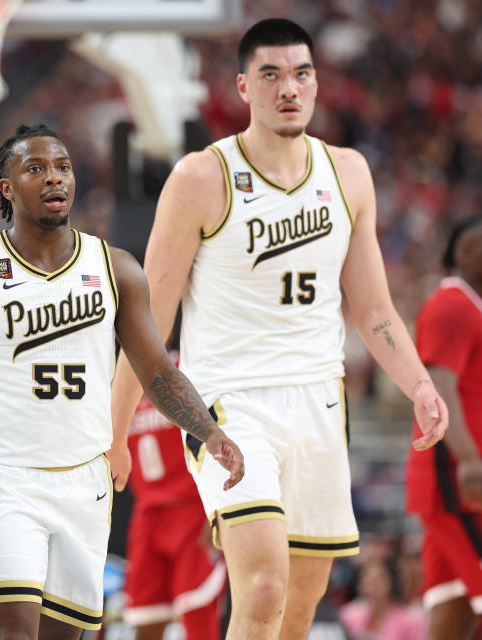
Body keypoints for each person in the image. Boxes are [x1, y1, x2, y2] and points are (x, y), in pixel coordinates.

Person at [108, 18, 448, 640]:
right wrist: (113, 429)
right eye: (270, 75)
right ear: (243, 86)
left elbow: (373, 310)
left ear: (317, 83)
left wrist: (420, 385)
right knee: (261, 587)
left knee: (297, 605)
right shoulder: (200, 177)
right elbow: (149, 314)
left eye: (301, 73)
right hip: (228, 403)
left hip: (319, 401)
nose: (288, 87)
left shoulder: (347, 174)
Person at [0, 123, 244, 640]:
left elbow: (156, 371)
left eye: (62, 166)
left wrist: (207, 429)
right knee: (14, 630)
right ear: (7, 186)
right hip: (2, 479)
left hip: (85, 480)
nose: (53, 177)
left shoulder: (117, 269)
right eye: (35, 168)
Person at [406, 214, 482, 640]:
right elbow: (437, 385)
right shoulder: (453, 304)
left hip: (457, 482)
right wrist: (469, 459)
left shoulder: (468, 307)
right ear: (468, 251)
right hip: (456, 479)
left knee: (451, 622)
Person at [123, 348, 226, 640]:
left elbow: (220, 435)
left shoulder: (186, 366)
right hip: (147, 511)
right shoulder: (122, 379)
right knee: (145, 619)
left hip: (192, 509)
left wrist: (217, 508)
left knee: (197, 616)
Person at [338, 557, 427, 640]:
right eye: (367, 578)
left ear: (392, 582)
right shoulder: (348, 614)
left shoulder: (410, 621)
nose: (371, 585)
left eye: (378, 579)